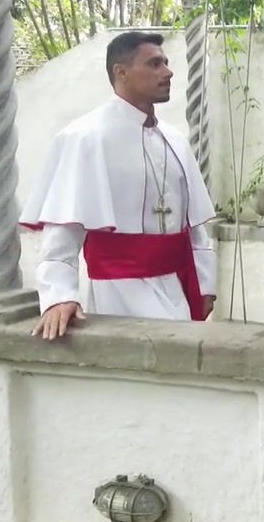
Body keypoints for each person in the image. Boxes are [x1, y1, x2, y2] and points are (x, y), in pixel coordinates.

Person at [19, 31, 218, 340]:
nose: (168, 72)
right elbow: (62, 232)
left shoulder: (175, 140)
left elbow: (193, 225)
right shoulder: (85, 138)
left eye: (166, 63)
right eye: (155, 64)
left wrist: (205, 285)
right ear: (121, 72)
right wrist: (59, 296)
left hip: (177, 286)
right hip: (119, 291)